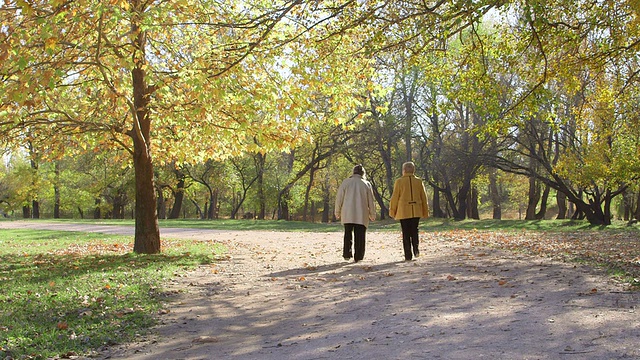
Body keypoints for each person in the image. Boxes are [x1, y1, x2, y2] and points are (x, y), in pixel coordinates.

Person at [335, 164, 376, 263]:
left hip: (347, 212)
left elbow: (339, 198)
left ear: (353, 172)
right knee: (360, 235)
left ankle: (346, 254)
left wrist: (337, 211)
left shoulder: (346, 182)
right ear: (363, 173)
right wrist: (372, 213)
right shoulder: (366, 184)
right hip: (361, 213)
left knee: (347, 234)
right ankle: (358, 256)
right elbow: (371, 200)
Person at [389, 161, 429, 261]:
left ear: (403, 170)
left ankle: (408, 254)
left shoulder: (399, 181)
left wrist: (392, 211)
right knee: (415, 230)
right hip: (416, 210)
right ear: (413, 170)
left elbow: (394, 197)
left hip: (403, 211)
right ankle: (416, 249)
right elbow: (424, 197)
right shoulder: (418, 181)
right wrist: (425, 210)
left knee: (405, 232)